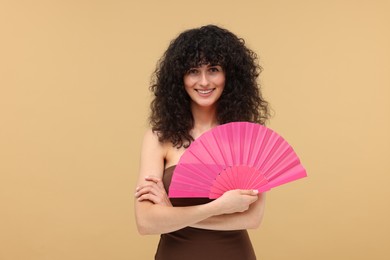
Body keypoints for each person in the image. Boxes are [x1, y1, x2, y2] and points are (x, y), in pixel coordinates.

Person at [134, 24, 270, 260]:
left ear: (230, 75)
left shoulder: (250, 137)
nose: (204, 81)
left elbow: (252, 219)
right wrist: (220, 207)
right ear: (180, 78)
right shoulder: (158, 138)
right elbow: (145, 222)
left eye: (214, 69)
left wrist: (171, 215)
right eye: (194, 71)